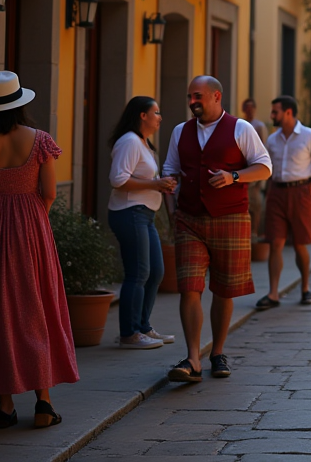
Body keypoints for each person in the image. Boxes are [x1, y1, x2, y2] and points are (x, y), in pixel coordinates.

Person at [0, 71, 77, 428]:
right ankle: (44, 403)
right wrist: (30, 217)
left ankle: (5, 406)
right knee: (36, 307)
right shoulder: (39, 141)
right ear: (19, 104)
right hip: (31, 226)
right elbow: (49, 193)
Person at [162, 76, 271, 383]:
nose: (192, 101)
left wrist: (233, 176)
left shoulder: (241, 128)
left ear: (216, 96)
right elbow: (170, 170)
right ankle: (192, 357)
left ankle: (218, 352)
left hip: (231, 218)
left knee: (224, 289)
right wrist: (170, 193)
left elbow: (264, 167)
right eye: (189, 96)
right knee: (189, 286)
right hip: (189, 219)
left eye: (197, 96)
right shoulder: (179, 131)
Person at [108, 96, 178, 350]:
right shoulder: (129, 141)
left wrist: (162, 183)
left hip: (144, 213)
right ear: (142, 115)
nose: (160, 117)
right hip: (129, 212)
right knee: (138, 273)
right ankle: (129, 333)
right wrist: (155, 184)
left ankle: (143, 326)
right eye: (156, 112)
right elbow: (118, 179)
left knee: (156, 272)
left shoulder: (143, 143)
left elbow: (145, 177)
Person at [255, 96, 311, 310]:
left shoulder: (310, 137)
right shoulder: (272, 140)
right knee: (275, 243)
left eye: (275, 112)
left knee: (300, 244)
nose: (272, 116)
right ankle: (273, 293)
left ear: (288, 112)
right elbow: (266, 166)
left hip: (301, 192)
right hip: (277, 192)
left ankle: (306, 287)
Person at [242, 98, 269, 239]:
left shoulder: (259, 126)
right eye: (247, 107)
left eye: (251, 107)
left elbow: (264, 151)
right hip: (243, 171)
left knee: (256, 205)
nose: (249, 110)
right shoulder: (240, 124)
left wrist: (260, 182)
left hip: (255, 172)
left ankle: (256, 232)